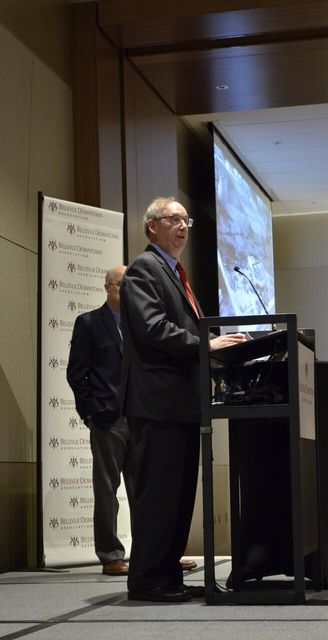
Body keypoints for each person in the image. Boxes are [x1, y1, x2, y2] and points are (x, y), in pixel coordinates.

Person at [120, 196, 246, 602]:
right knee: (158, 496)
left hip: (182, 405)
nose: (183, 226)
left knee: (177, 497)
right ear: (152, 226)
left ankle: (167, 574)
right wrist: (207, 345)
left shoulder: (175, 273)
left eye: (185, 219)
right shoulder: (144, 268)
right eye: (173, 219)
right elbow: (153, 328)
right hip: (157, 405)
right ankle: (147, 580)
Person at [67, 265, 130, 576]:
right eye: (122, 285)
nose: (128, 291)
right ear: (108, 288)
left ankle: (154, 553)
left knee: (147, 489)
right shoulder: (89, 323)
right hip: (107, 419)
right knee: (106, 489)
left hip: (143, 416)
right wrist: (90, 412)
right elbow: (76, 373)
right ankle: (110, 555)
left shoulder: (140, 325)